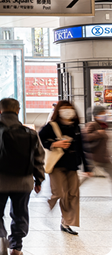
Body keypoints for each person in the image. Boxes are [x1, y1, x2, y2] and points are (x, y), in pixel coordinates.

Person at [0, 98, 45, 255]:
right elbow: (39, 158)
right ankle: (16, 248)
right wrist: (39, 179)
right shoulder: (31, 133)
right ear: (18, 111)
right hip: (23, 182)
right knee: (20, 214)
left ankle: (0, 237)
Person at [39, 100, 92, 235]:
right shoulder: (52, 126)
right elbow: (41, 138)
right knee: (59, 193)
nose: (67, 111)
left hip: (72, 164)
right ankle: (49, 205)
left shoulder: (76, 127)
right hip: (57, 164)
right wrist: (54, 144)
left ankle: (66, 223)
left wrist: (87, 166)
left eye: (70, 108)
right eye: (64, 108)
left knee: (73, 194)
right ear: (58, 111)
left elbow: (81, 147)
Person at [83, 106, 112, 190]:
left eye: (104, 113)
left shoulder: (103, 125)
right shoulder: (92, 124)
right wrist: (98, 133)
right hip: (92, 158)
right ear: (96, 115)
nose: (104, 115)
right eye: (102, 113)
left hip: (102, 158)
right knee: (83, 178)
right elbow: (85, 137)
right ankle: (67, 194)